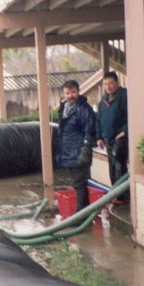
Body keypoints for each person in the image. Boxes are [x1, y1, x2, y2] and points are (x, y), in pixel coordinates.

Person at [56, 80, 96, 212]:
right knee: (78, 185)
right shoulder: (63, 108)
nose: (70, 95)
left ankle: (80, 217)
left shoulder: (84, 109)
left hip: (79, 153)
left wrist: (85, 149)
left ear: (78, 92)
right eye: (67, 93)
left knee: (79, 185)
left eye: (73, 92)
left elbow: (89, 130)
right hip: (68, 152)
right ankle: (84, 214)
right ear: (64, 94)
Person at [96, 71, 129, 204]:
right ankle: (116, 193)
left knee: (118, 162)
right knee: (112, 165)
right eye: (105, 84)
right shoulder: (103, 101)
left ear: (117, 83)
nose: (108, 86)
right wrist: (99, 137)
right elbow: (98, 120)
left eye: (110, 83)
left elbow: (133, 113)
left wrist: (125, 131)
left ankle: (123, 196)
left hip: (121, 137)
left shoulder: (124, 95)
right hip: (108, 138)